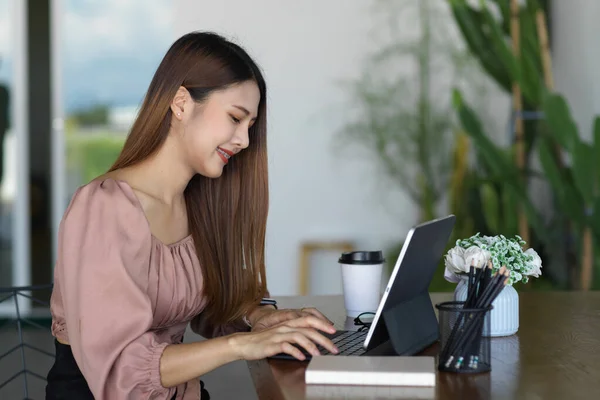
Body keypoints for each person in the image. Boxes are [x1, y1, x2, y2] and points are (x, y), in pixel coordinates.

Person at [45, 31, 339, 400]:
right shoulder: (104, 208)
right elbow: (122, 370)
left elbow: (198, 303)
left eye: (249, 126)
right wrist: (241, 346)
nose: (244, 141)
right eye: (235, 117)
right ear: (181, 103)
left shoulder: (195, 203)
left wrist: (255, 318)